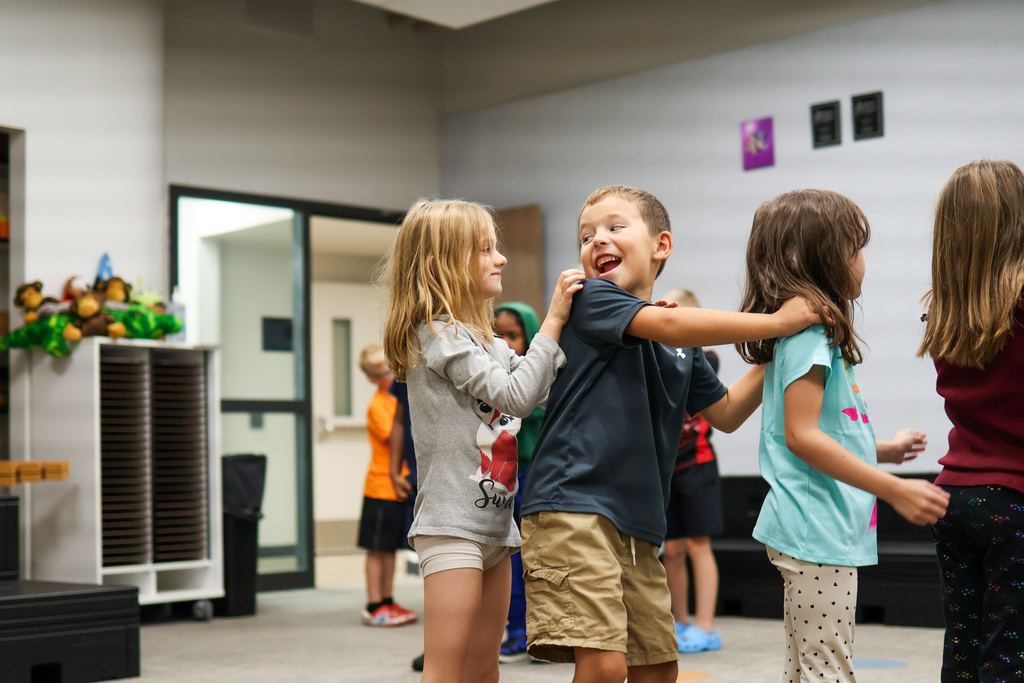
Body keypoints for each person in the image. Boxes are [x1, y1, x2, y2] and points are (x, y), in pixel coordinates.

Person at [522, 184, 822, 683]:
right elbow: (673, 326)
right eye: (586, 234)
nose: (597, 240)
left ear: (661, 245)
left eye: (615, 227)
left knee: (658, 668)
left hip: (639, 526)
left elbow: (726, 411)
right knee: (603, 666)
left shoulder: (676, 345)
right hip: (573, 506)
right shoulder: (591, 298)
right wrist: (777, 320)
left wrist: (782, 346)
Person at [737, 188, 950, 683]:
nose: (863, 264)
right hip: (817, 529)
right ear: (823, 259)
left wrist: (884, 451)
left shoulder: (808, 336)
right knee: (826, 670)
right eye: (856, 249)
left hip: (818, 527)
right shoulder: (808, 336)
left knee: (807, 666)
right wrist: (893, 488)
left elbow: (817, 431)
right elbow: (800, 437)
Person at [381, 198, 585, 683]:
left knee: (484, 669)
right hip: (452, 525)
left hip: (496, 525)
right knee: (446, 671)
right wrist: (553, 319)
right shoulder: (436, 334)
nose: (502, 259)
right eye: (486, 250)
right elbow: (515, 396)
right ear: (441, 265)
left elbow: (541, 392)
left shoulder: (489, 341)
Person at [918, 160, 1024, 683]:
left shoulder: (944, 309)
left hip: (954, 498)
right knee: (1011, 656)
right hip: (1015, 500)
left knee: (964, 655)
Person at [658, 289, 724, 654]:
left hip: (698, 465)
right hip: (668, 467)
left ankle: (705, 626)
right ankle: (679, 620)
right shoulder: (660, 356)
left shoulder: (705, 357)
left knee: (699, 546)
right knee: (672, 549)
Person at [492, 302, 545, 663]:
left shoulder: (541, 378)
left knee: (538, 557)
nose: (508, 344)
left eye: (515, 335)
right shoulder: (490, 376)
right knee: (507, 558)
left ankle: (541, 634)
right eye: (500, 336)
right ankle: (514, 630)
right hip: (501, 478)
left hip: (538, 477)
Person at [355, 344, 417, 627]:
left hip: (398, 487)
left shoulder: (398, 400)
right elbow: (396, 433)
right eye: (385, 372)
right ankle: (374, 603)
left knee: (390, 547)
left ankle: (388, 599)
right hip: (379, 487)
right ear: (372, 378)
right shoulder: (380, 405)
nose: (392, 377)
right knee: (376, 549)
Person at [386, 378, 426, 671]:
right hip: (419, 477)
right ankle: (439, 644)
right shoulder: (408, 366)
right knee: (434, 568)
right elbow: (400, 419)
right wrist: (394, 469)